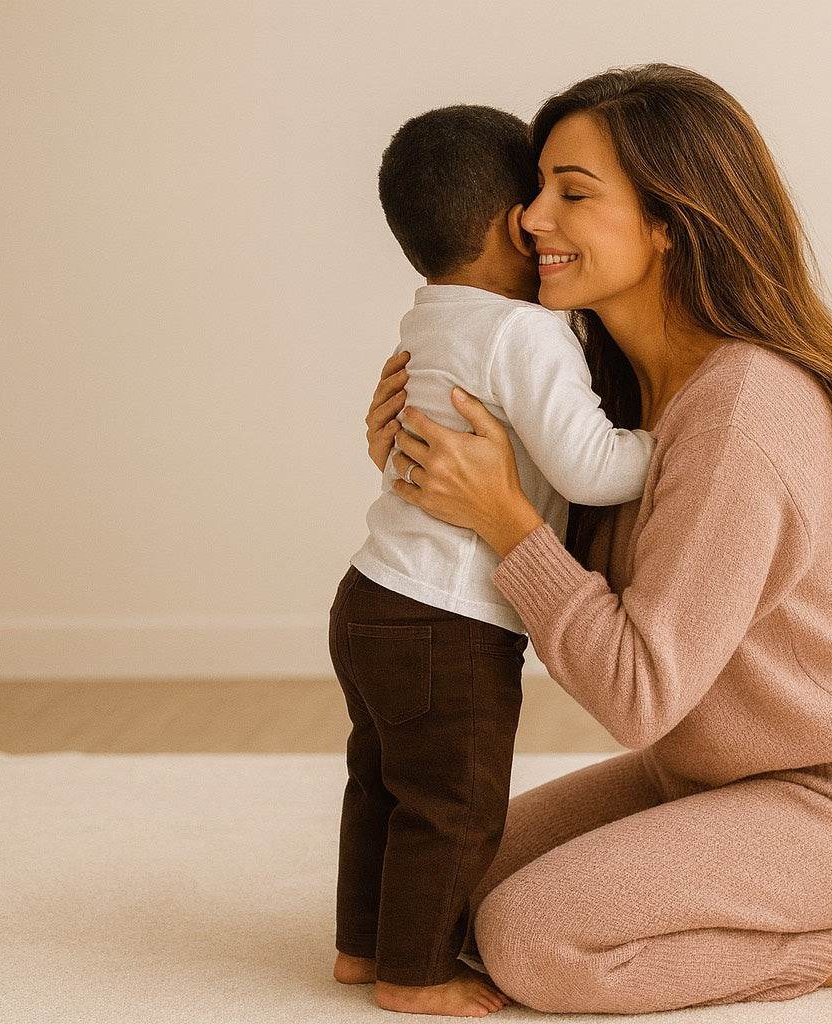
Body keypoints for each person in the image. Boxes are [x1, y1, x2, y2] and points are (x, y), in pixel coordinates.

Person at [369, 64, 832, 1016]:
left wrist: (503, 515)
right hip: (704, 781)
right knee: (436, 898)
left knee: (530, 942)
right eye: (536, 192)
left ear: (669, 220)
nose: (530, 220)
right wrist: (425, 469)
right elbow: (562, 586)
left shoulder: (743, 409)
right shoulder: (615, 403)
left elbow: (637, 691)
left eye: (573, 194)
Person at [331, 104, 654, 1018]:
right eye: (540, 197)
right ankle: (417, 974)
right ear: (514, 220)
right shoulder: (525, 332)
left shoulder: (429, 317)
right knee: (456, 803)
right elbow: (591, 470)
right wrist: (673, 440)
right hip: (449, 616)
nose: (548, 218)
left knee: (381, 783)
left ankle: (363, 947)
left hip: (372, 595)